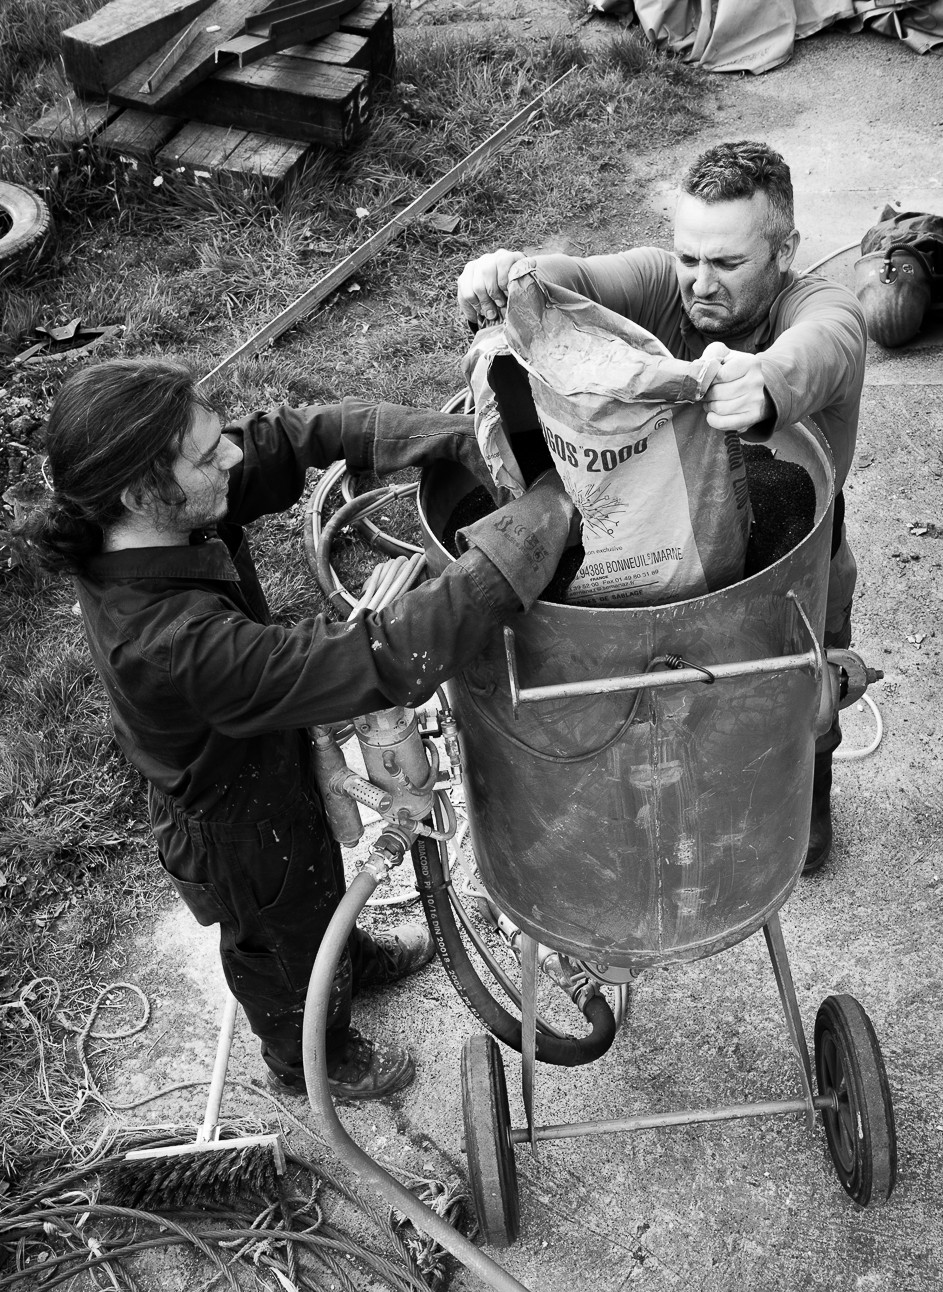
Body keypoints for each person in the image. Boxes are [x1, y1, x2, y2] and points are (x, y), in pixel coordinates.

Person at [20, 358, 574, 1101]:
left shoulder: (149, 515)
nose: (230, 456)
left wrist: (447, 437)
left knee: (316, 889)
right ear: (138, 490)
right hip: (233, 822)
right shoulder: (167, 642)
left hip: (260, 753)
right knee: (278, 938)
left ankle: (343, 956)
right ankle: (309, 1054)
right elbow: (372, 656)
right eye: (206, 452)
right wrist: (516, 550)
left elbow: (292, 438)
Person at [456, 140, 867, 876]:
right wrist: (507, 273)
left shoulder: (817, 306)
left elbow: (824, 345)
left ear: (784, 249)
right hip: (675, 573)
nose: (700, 284)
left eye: (727, 264)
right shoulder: (659, 283)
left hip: (786, 576)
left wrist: (764, 383)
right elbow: (568, 278)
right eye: (689, 257)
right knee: (674, 720)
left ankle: (805, 811)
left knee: (800, 707)